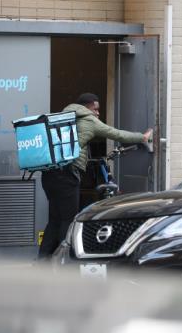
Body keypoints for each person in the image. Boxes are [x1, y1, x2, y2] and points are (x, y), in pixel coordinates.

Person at [37, 93, 153, 260]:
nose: (98, 113)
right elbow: (116, 134)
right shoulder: (88, 120)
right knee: (67, 220)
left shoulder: (63, 116)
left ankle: (42, 259)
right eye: (95, 109)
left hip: (49, 174)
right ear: (87, 107)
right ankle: (64, 260)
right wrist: (142, 137)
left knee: (55, 219)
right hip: (67, 174)